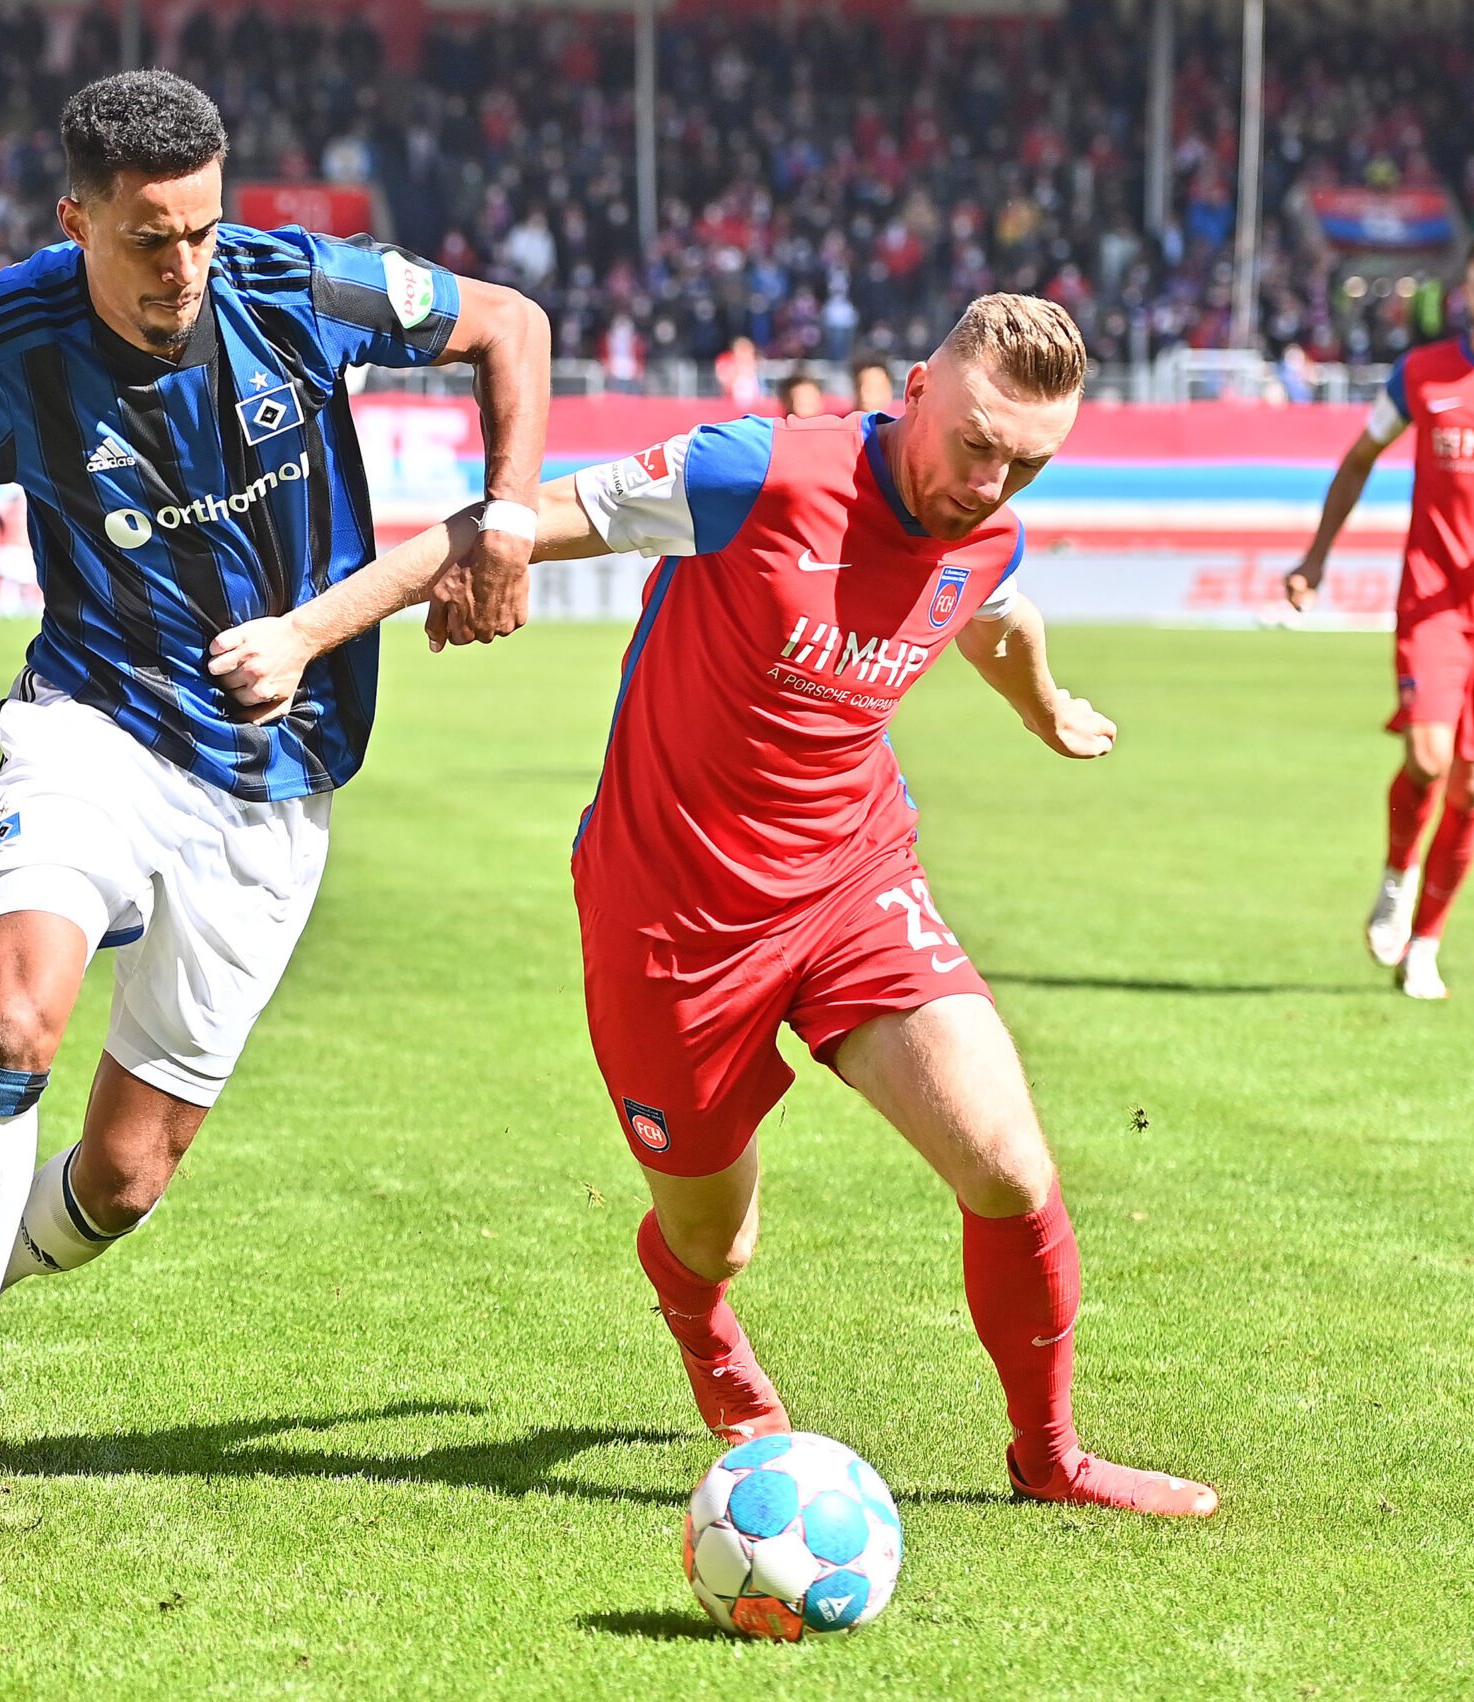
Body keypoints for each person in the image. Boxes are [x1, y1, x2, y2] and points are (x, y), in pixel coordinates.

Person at [215, 295, 1219, 1520]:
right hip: (671, 923)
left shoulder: (987, 531)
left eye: (1028, 461)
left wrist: (1043, 706)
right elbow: (508, 522)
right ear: (914, 387)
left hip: (855, 882)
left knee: (1008, 1168)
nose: (991, 480)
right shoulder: (759, 473)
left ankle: (1049, 1456)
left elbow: (997, 610)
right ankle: (698, 1318)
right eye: (975, 442)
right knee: (713, 1239)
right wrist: (307, 633)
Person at [0, 70, 547, 1562]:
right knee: (14, 1018)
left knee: (123, 1180)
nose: (180, 266)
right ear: (79, 221)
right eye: (144, 238)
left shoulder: (290, 281)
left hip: (281, 770)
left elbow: (513, 322)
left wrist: (504, 515)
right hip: (96, 723)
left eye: (197, 227)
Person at [1285, 224, 1474, 1000]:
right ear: (1467, 289)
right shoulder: (1422, 373)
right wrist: (1316, 557)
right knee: (1428, 758)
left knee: (1473, 789)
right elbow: (1358, 460)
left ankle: (1426, 941)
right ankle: (1397, 873)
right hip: (1433, 599)